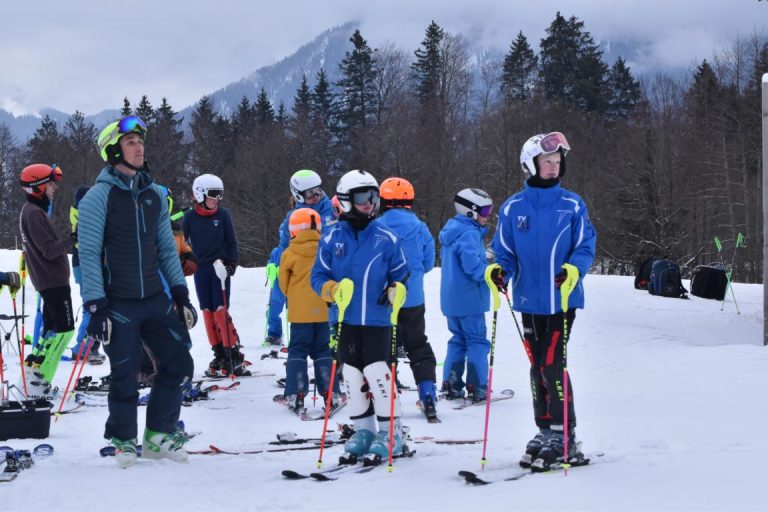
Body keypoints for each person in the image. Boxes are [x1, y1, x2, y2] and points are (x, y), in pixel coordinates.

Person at [78, 115, 197, 468]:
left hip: (156, 300)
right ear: (113, 150)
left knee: (180, 363)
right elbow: (88, 254)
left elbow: (166, 249)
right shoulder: (97, 198)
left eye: (140, 141)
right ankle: (124, 440)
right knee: (124, 373)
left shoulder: (154, 194)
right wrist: (95, 306)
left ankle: (159, 435)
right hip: (118, 302)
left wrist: (180, 294)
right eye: (130, 142)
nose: (139, 147)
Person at [490, 131, 596, 471]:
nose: (553, 166)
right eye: (546, 161)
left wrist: (573, 270)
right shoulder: (513, 208)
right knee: (537, 365)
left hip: (562, 299)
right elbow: (504, 252)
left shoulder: (572, 204)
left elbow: (585, 246)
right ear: (530, 164)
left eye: (557, 161)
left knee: (552, 363)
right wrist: (499, 271)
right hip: (528, 299)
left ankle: (565, 434)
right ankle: (545, 429)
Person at [311, 170, 409, 460]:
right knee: (352, 374)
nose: (370, 202)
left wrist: (396, 289)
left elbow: (402, 272)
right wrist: (330, 290)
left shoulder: (386, 237)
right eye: (363, 196)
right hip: (345, 319)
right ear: (345, 200)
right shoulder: (331, 238)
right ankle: (364, 430)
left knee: (377, 373)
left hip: (377, 320)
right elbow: (318, 276)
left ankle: (392, 432)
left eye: (374, 196)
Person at [377, 177, 438, 421]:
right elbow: (428, 262)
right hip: (413, 298)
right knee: (417, 343)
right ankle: (428, 393)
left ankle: (386, 395)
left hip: (385, 298)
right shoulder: (420, 227)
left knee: (383, 346)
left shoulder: (377, 226)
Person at [18, 163, 75, 398]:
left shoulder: (33, 211)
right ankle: (41, 386)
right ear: (39, 187)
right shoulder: (33, 213)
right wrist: (72, 239)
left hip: (50, 280)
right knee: (64, 332)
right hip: (52, 281)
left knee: (52, 331)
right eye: (51, 184)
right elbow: (49, 250)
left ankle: (33, 377)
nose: (55, 188)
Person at [275, 208, 341, 413]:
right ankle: (331, 392)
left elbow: (283, 282)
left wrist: (293, 295)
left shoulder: (289, 253)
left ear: (293, 229)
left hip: (299, 314)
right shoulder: (325, 250)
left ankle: (295, 393)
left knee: (298, 350)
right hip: (322, 310)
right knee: (322, 350)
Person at [182, 173, 246, 377]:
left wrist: (231, 264)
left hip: (220, 268)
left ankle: (232, 353)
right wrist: (184, 260)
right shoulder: (190, 217)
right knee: (207, 311)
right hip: (201, 269)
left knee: (220, 310)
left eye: (220, 194)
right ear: (200, 194)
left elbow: (231, 241)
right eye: (213, 194)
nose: (217, 199)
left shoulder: (223, 215)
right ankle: (218, 353)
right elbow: (182, 242)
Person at [265, 170, 337, 346]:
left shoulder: (331, 209)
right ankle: (275, 332)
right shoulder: (293, 217)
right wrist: (280, 266)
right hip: (301, 265)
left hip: (326, 263)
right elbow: (285, 246)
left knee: (329, 297)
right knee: (279, 297)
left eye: (318, 190)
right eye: (310, 193)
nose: (316, 196)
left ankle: (333, 332)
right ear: (298, 195)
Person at [439, 188, 494, 403]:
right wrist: (491, 272)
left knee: (458, 340)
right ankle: (477, 386)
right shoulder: (469, 233)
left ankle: (451, 384)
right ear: (469, 210)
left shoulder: (452, 230)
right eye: (484, 211)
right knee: (477, 341)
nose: (487, 216)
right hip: (470, 301)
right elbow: (474, 268)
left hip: (452, 300)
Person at [69, 185, 106, 365]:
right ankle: (82, 349)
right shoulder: (84, 215)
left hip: (84, 263)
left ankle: (91, 346)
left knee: (96, 305)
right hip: (85, 264)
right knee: (92, 307)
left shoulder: (81, 213)